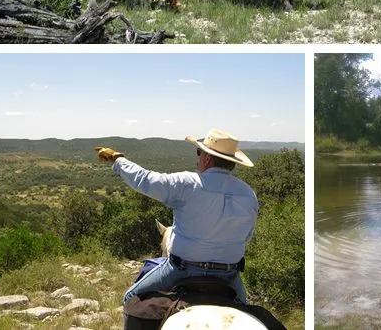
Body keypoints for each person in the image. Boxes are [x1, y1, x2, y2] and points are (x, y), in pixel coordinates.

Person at [97, 128, 259, 312]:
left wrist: (118, 160)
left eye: (200, 153)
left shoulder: (187, 183)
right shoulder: (248, 194)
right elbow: (246, 237)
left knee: (130, 299)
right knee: (248, 313)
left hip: (182, 269)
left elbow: (145, 179)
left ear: (206, 158)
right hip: (229, 275)